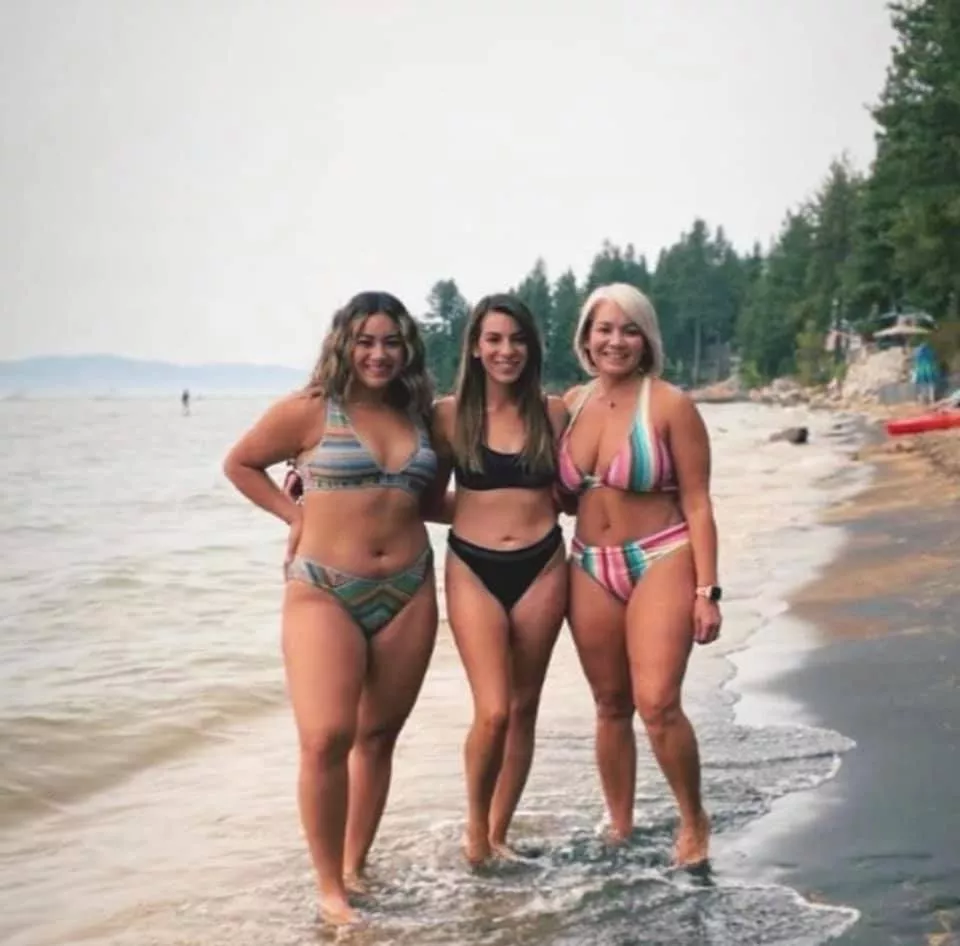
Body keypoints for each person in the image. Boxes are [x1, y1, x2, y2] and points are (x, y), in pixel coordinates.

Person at [222, 291, 443, 925]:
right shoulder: (311, 409)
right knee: (325, 738)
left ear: (407, 349)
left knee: (377, 738)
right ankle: (329, 890)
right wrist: (293, 516)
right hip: (323, 588)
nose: (379, 353)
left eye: (392, 342)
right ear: (343, 344)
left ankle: (354, 868)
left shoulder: (419, 414)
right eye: (365, 341)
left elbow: (439, 497)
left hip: (409, 588)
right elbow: (240, 464)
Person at [557, 283, 721, 868]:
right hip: (588, 564)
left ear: (647, 338)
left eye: (630, 330)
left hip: (662, 557)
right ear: (586, 337)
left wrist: (707, 591)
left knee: (657, 703)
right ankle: (620, 822)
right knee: (609, 705)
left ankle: (692, 818)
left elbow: (698, 502)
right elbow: (546, 488)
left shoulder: (671, 405)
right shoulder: (570, 405)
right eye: (604, 329)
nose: (616, 341)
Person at [431, 294, 569, 865]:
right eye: (493, 339)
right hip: (472, 566)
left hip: (543, 565)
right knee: (493, 711)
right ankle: (474, 831)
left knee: (524, 706)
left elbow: (574, 490)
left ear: (531, 347)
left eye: (517, 339)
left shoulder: (553, 413)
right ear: (475, 347)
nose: (505, 350)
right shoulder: (448, 415)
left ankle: (498, 833)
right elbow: (421, 494)